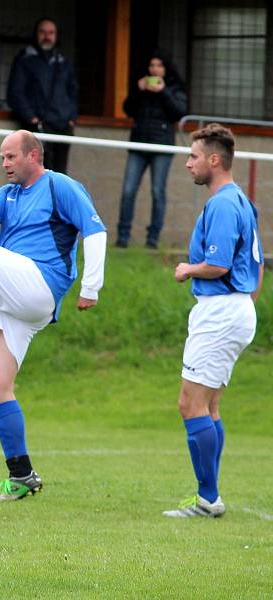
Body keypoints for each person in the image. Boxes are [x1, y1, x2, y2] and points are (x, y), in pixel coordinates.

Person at [0, 130, 106, 500]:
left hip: (38, 283)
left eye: (10, 157)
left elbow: (95, 232)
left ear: (33, 156)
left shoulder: (62, 187)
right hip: (16, 301)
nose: (5, 164)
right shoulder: (10, 193)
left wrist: (91, 288)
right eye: (1, 158)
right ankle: (22, 475)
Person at [163, 124, 264, 518]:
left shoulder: (223, 203)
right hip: (237, 308)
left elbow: (219, 264)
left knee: (190, 405)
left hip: (221, 310)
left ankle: (207, 499)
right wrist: (245, 304)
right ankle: (210, 495)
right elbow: (255, 266)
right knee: (210, 406)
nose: (188, 164)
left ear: (214, 160)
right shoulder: (242, 200)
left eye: (193, 156)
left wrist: (187, 269)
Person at [116, 50, 188, 249]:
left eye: (158, 65)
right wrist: (138, 90)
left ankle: (153, 239)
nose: (154, 69)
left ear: (166, 69)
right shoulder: (142, 86)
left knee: (157, 191)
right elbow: (128, 110)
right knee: (128, 190)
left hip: (162, 145)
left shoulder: (173, 87)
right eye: (151, 65)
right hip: (138, 142)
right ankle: (123, 237)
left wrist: (163, 91)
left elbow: (179, 112)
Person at [7, 17, 78, 174]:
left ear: (56, 36)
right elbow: (15, 93)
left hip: (63, 128)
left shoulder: (63, 62)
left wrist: (72, 118)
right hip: (37, 129)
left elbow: (73, 92)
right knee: (35, 176)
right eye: (43, 32)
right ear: (36, 34)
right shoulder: (24, 60)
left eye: (51, 32)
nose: (47, 36)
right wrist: (31, 118)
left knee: (59, 176)